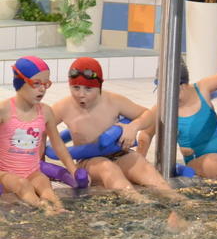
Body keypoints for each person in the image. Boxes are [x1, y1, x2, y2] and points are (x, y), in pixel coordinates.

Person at [51, 57, 182, 203]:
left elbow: (148, 115)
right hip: (89, 161)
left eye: (88, 89)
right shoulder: (64, 107)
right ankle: (142, 203)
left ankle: (183, 202)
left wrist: (133, 127)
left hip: (120, 153)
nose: (81, 94)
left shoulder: (113, 101)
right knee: (108, 168)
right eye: (76, 88)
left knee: (147, 171)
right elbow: (41, 128)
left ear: (100, 86)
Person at [137, 60, 217, 183]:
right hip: (201, 160)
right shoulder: (162, 108)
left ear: (183, 86)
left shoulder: (201, 88)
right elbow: (145, 134)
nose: (165, 97)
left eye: (168, 91)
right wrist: (140, 165)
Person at [0, 56, 76, 215]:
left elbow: (58, 145)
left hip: (32, 171)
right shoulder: (4, 110)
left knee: (44, 183)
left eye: (46, 84)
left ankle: (59, 209)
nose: (42, 89)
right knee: (23, 185)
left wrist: (73, 170)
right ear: (20, 81)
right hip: (5, 172)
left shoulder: (46, 112)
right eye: (36, 83)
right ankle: (45, 210)